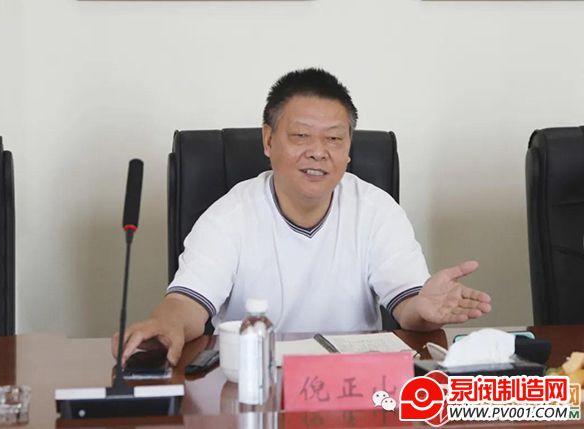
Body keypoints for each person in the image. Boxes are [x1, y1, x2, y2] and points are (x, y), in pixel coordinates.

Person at [112, 68, 492, 366]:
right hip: (257, 382)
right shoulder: (229, 216)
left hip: (351, 385)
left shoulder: (376, 210)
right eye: (301, 136)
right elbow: (188, 303)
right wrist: (166, 323)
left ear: (348, 149)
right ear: (268, 140)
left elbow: (409, 307)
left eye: (334, 139)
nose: (318, 152)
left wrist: (424, 311)